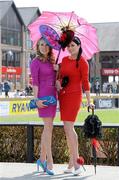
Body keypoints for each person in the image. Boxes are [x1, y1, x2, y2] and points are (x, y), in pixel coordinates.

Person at [57, 36, 95, 175]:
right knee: (67, 130)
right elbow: (61, 77)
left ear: (79, 46)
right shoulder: (64, 60)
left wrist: (89, 100)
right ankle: (71, 163)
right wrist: (58, 79)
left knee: (69, 127)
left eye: (73, 45)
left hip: (74, 96)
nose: (70, 48)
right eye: (69, 46)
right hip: (63, 96)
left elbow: (85, 83)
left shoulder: (83, 62)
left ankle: (77, 163)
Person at [30, 37, 57, 175]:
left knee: (48, 128)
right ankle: (49, 160)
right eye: (41, 44)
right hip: (43, 98)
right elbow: (34, 82)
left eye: (46, 45)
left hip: (53, 97)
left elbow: (57, 81)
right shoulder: (35, 62)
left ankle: (41, 159)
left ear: (50, 47)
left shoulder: (53, 61)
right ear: (37, 47)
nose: (44, 47)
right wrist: (36, 100)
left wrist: (58, 70)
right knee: (48, 128)